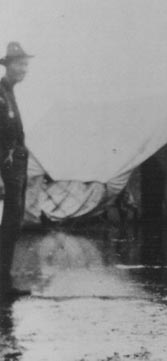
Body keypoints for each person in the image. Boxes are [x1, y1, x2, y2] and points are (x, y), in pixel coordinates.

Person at [0, 42, 33, 296]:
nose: (25, 69)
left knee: (14, 224)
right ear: (8, 65)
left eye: (26, 65)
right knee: (8, 225)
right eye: (20, 64)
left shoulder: (9, 92)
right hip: (6, 168)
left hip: (17, 166)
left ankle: (4, 281)